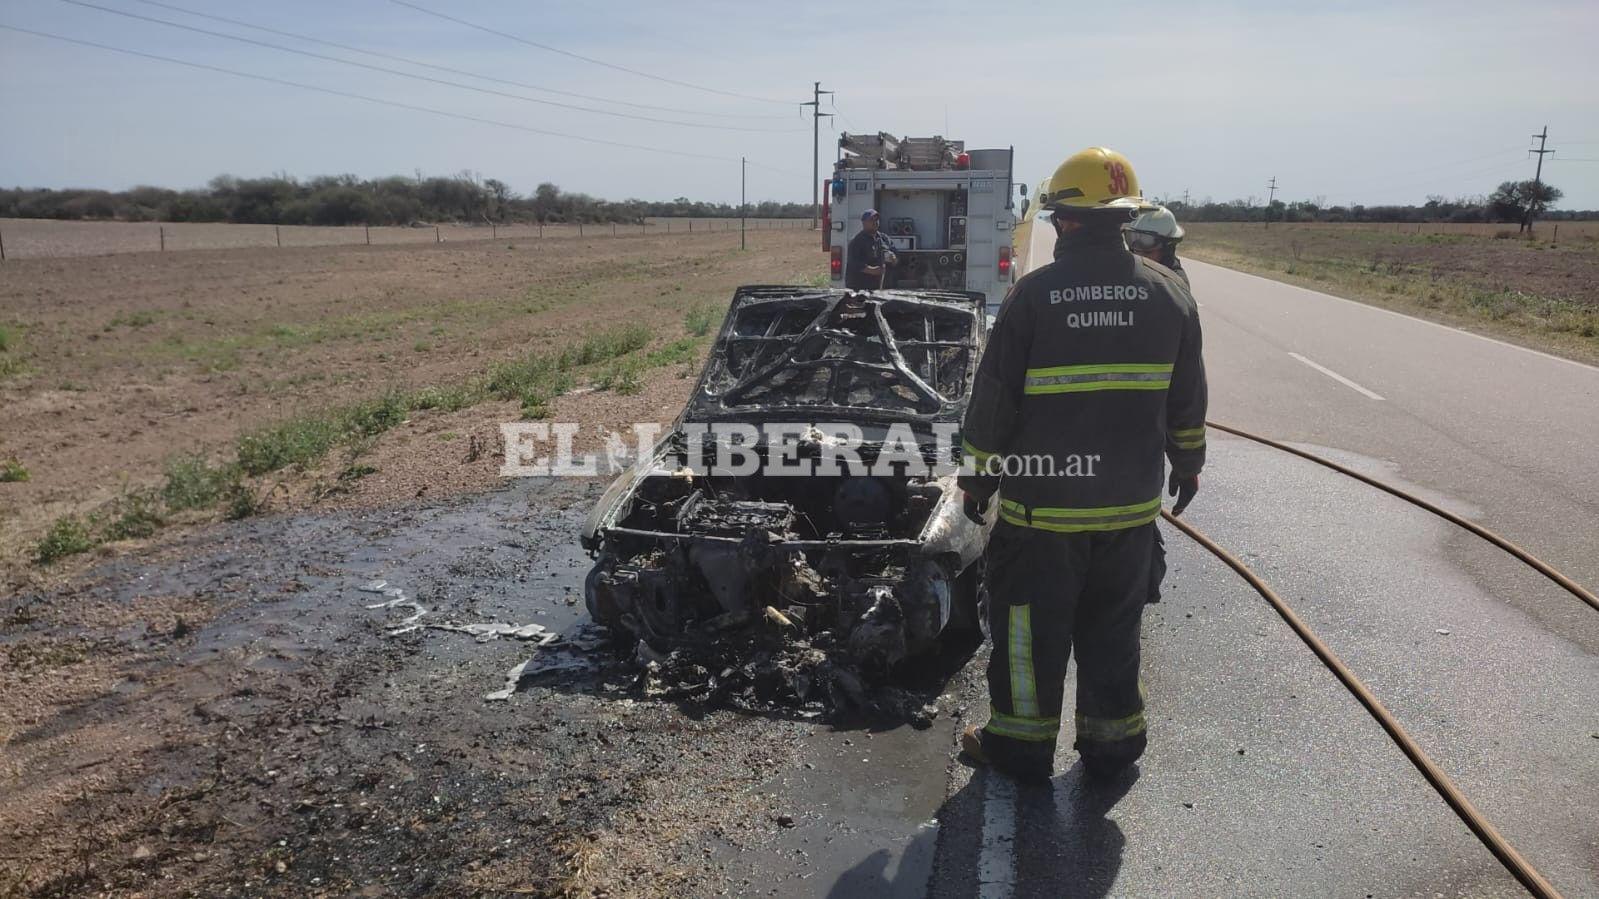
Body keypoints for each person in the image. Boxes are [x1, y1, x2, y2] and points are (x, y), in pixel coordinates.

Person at [956, 147, 1207, 782]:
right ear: (1127, 218)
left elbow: (994, 402)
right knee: (1113, 629)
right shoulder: (1170, 294)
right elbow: (1187, 398)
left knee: (1027, 633)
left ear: (1065, 220)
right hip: (1130, 511)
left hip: (1043, 515)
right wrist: (1188, 464)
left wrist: (976, 482)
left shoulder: (1034, 296)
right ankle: (1112, 745)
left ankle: (1020, 744)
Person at [1123, 204, 1188, 603]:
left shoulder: (1172, 289)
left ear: (1168, 246)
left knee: (1136, 512)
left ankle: (1138, 582)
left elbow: (1186, 387)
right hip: (1123, 418)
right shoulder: (1133, 276)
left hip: (1148, 420)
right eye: (1132, 240)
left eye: (1146, 243)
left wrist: (1187, 461)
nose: (1137, 249)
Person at [1124, 205, 1187, 286]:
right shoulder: (1129, 270)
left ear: (1167, 250)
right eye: (1135, 251)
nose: (1139, 257)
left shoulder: (1177, 283)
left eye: (1147, 253)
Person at [845, 209, 898, 290]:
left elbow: (896, 257)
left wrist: (894, 259)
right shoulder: (857, 242)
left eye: (876, 220)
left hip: (881, 288)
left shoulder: (884, 239)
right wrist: (873, 270)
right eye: (871, 220)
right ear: (864, 223)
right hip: (860, 288)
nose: (875, 222)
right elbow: (854, 263)